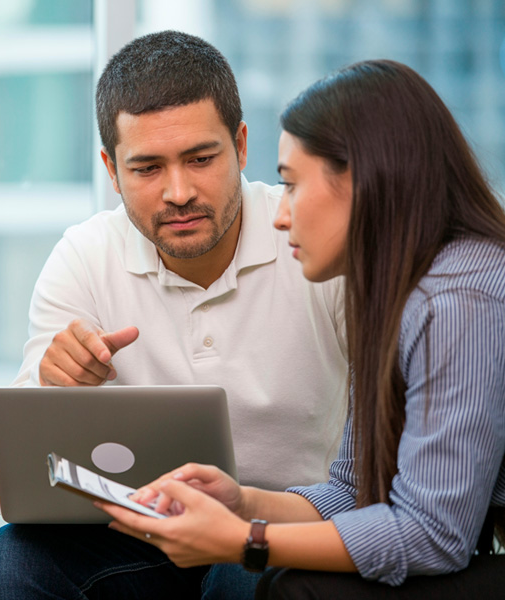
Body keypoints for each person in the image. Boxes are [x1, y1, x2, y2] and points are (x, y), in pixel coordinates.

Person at [99, 58, 505, 599]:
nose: (280, 214)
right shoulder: (399, 292)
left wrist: (248, 540)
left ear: (365, 181)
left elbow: (432, 534)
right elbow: (353, 490)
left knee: (292, 586)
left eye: (291, 186)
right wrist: (244, 503)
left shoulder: (462, 299)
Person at [0, 31, 349, 599]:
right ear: (111, 168)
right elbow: (30, 475)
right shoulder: (85, 255)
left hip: (287, 525)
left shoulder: (310, 239)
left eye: (201, 159)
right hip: (137, 534)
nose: (178, 192)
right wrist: (54, 384)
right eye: (147, 168)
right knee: (9, 563)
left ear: (242, 147)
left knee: (240, 570)